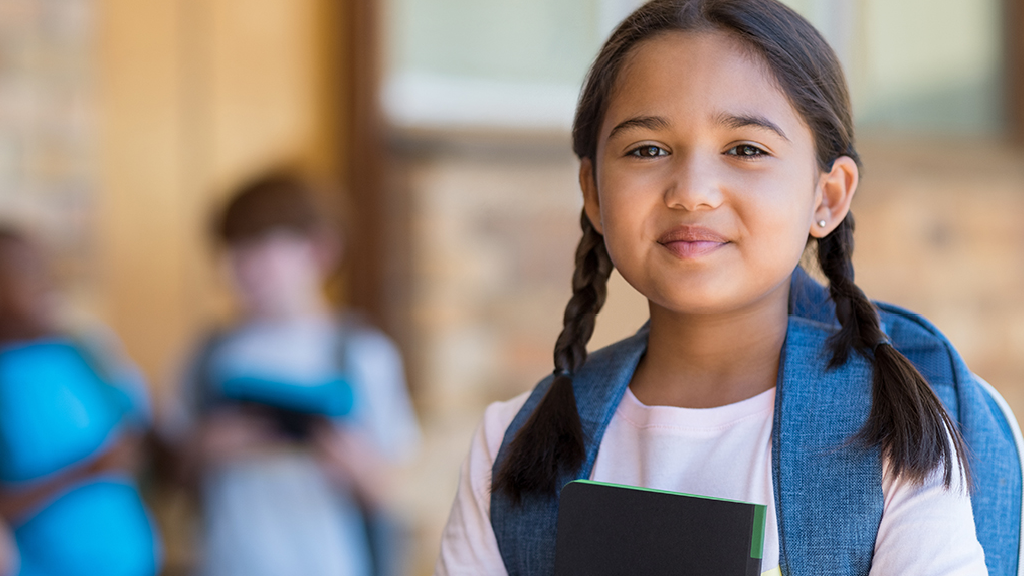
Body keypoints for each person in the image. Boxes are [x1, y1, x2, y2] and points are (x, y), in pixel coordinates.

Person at [435, 1, 1012, 575]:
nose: (692, 192)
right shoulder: (509, 442)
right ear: (592, 190)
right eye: (647, 150)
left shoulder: (892, 429)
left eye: (745, 149)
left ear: (827, 196)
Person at [170, 173, 420, 576]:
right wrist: (203, 449)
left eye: (260, 247)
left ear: (320, 249)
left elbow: (393, 489)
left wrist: (355, 468)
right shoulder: (206, 355)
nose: (241, 267)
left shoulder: (364, 355)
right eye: (233, 250)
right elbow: (172, 475)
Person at [0, 227, 160, 576]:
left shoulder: (82, 351)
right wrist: (85, 471)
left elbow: (136, 433)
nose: (48, 283)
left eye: (46, 268)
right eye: (26, 271)